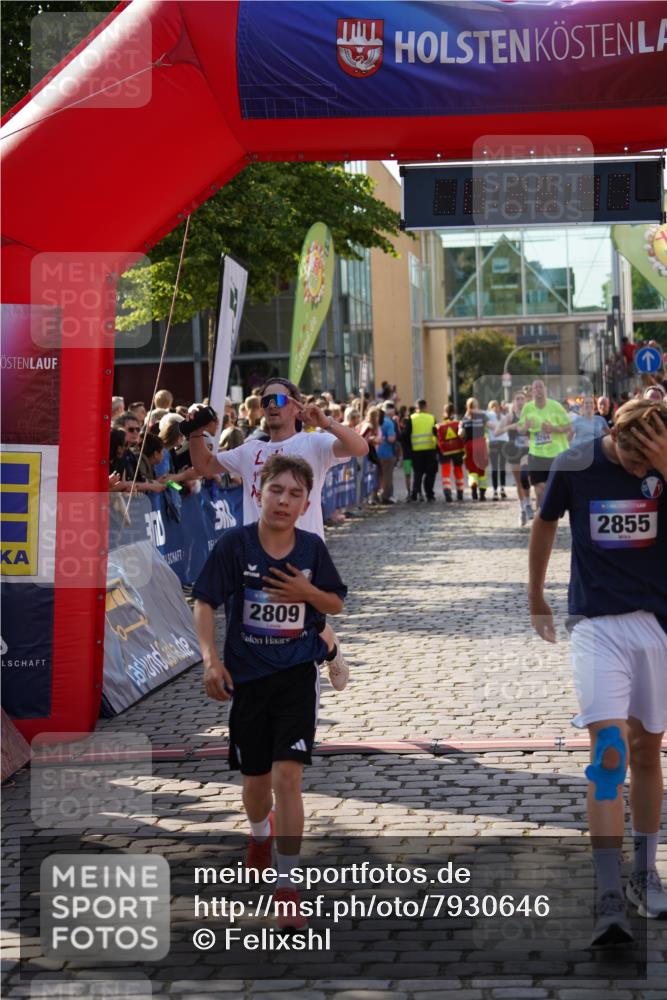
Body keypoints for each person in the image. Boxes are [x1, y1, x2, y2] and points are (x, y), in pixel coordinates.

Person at [528, 398, 667, 946]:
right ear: (615, 437)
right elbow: (544, 525)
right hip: (597, 625)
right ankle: (608, 894)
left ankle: (645, 871)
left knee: (647, 752)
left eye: (647, 465)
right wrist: (536, 595)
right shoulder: (574, 464)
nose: (639, 474)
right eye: (633, 462)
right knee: (608, 753)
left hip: (657, 624)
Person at [193, 455, 347, 928]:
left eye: (295, 494)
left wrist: (306, 591)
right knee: (256, 785)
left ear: (305, 504)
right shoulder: (235, 546)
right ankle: (260, 832)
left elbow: (335, 601)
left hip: (297, 678)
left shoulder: (312, 549)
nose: (284, 501)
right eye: (276, 490)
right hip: (249, 682)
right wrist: (210, 660)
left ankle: (287, 885)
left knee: (289, 777)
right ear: (259, 491)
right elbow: (204, 602)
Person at [185, 376, 368, 690]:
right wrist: (194, 432)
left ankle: (330, 650)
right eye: (265, 401)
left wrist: (326, 422)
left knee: (306, 625)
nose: (271, 405)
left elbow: (359, 447)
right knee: (266, 631)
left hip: (303, 553)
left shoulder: (313, 443)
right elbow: (204, 465)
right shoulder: (249, 450)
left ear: (296, 407)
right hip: (257, 554)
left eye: (279, 400)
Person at [517, 379, 572, 507]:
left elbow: (568, 426)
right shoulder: (528, 407)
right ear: (532, 391)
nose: (538, 390)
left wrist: (552, 429)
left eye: (540, 387)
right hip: (536, 454)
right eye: (535, 388)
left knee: (550, 488)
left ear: (545, 390)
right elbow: (520, 429)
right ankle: (541, 519)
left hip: (555, 454)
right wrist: (524, 427)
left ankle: (548, 514)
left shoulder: (556, 406)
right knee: (539, 490)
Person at [496, 389, 534, 526]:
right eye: (517, 399)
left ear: (525, 401)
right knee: (518, 481)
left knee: (525, 477)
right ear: (514, 402)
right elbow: (497, 431)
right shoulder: (510, 416)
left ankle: (529, 503)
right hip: (513, 450)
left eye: (522, 399)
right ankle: (522, 508)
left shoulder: (530, 415)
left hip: (526, 450)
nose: (520, 401)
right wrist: (511, 426)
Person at [409, 399, 438, 502]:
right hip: (430, 450)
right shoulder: (431, 418)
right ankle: (429, 494)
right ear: (425, 407)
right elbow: (436, 433)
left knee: (418, 474)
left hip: (416, 451)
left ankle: (414, 494)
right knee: (430, 474)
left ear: (417, 408)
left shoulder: (411, 418)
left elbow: (407, 434)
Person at [460, 397, 489, 501]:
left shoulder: (464, 419)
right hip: (480, 444)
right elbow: (491, 426)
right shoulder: (482, 416)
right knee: (482, 469)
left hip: (469, 445)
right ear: (477, 405)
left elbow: (460, 434)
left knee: (472, 469)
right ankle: (482, 493)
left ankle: (473, 487)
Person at [437, 403, 465, 502]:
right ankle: (460, 492)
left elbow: (437, 439)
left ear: (444, 412)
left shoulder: (439, 425)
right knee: (458, 470)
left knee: (446, 471)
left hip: (445, 451)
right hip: (457, 450)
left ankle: (447, 491)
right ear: (454, 412)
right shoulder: (459, 423)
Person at [486, 400, 508, 501]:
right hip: (494, 442)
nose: (495, 408)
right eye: (493, 406)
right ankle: (495, 491)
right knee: (494, 467)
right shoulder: (489, 415)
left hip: (503, 442)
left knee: (502, 466)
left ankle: (502, 488)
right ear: (490, 408)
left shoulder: (504, 417)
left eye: (497, 406)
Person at [377, 402, 398, 504]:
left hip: (375, 453)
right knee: (387, 476)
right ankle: (386, 496)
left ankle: (376, 495)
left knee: (378, 476)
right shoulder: (389, 422)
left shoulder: (376, 420)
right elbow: (391, 438)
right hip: (387, 453)